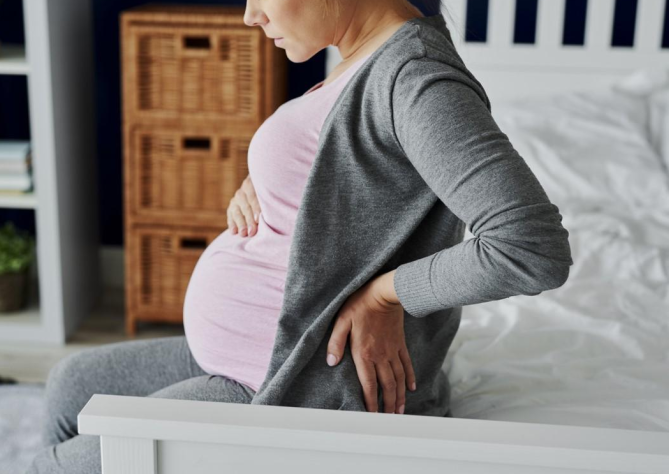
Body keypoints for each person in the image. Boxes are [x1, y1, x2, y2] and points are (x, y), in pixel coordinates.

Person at [29, 0, 573, 471]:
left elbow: (529, 246)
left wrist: (386, 295)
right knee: (69, 384)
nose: (250, 15)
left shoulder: (417, 79)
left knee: (53, 467)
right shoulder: (361, 54)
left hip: (292, 383)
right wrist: (259, 181)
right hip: (259, 352)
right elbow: (352, 181)